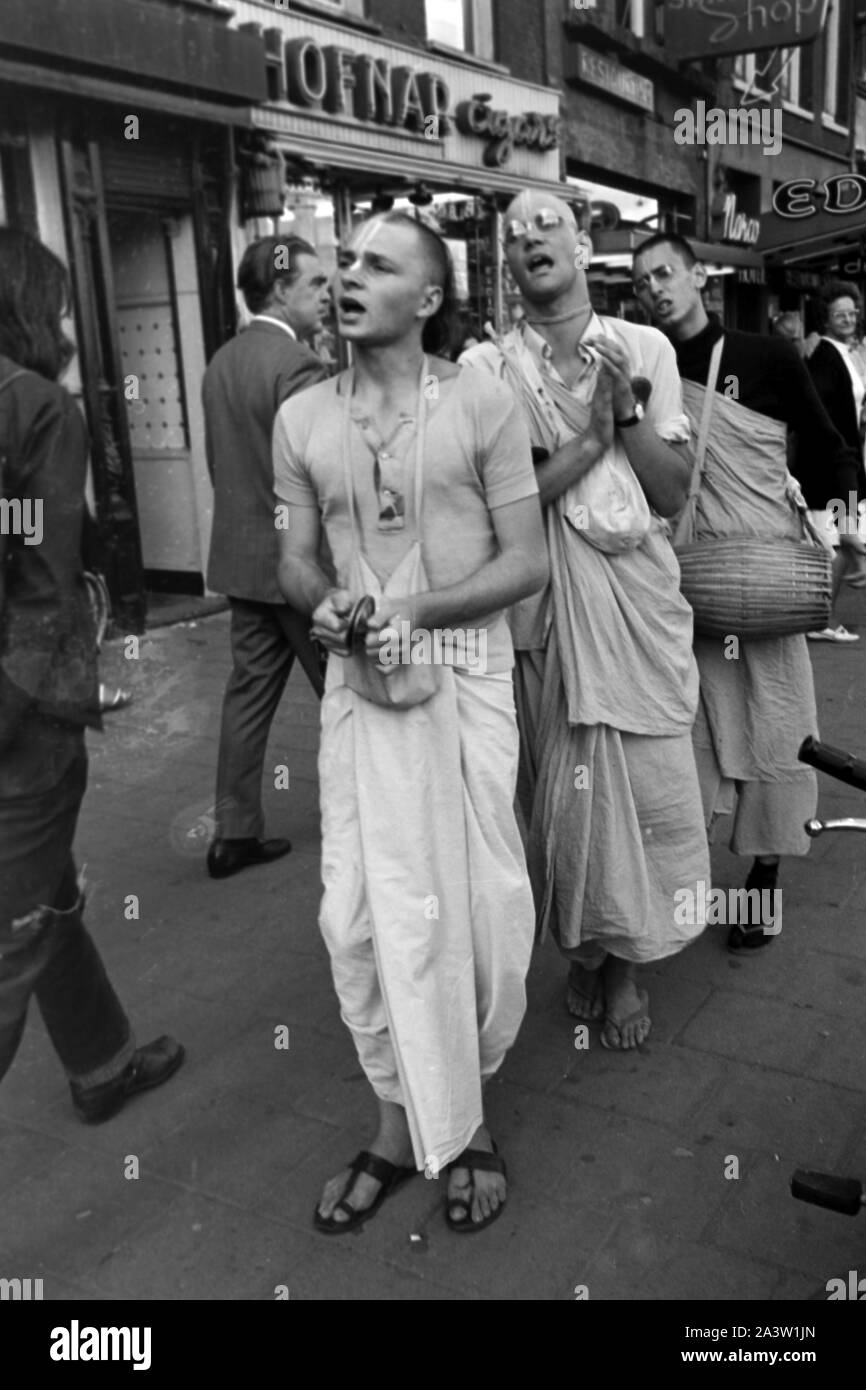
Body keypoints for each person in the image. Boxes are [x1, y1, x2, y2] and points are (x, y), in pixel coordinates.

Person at [273, 210, 546, 1234]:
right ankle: (400, 1120)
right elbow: (295, 555)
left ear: (427, 299)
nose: (348, 275)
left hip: (463, 672)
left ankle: (458, 1124)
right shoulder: (300, 418)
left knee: (476, 917)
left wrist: (417, 611)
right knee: (356, 921)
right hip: (359, 686)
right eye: (344, 261)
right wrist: (323, 603)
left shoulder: (479, 401)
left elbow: (526, 560)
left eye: (377, 265)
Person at [462, 192, 708, 1048]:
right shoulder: (487, 370)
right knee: (559, 805)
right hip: (541, 622)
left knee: (641, 797)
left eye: (547, 224)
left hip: (633, 612)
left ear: (582, 241)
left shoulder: (643, 349)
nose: (531, 237)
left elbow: (674, 491)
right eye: (516, 232)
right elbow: (503, 504)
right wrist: (591, 436)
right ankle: (586, 946)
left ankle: (628, 964)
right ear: (506, 262)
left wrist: (624, 416)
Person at [632, 233, 866, 949]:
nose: (654, 289)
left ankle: (763, 881)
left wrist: (848, 526)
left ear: (698, 275)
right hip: (682, 576)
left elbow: (831, 443)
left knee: (775, 724)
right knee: (691, 727)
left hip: (761, 573)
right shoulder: (643, 365)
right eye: (642, 281)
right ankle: (682, 875)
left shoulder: (767, 355)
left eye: (665, 272)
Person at [0, 228, 184, 1119]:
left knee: (44, 891)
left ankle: (103, 1064)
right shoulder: (34, 405)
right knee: (15, 928)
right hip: (19, 726)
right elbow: (41, 584)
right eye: (61, 302)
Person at [203, 236, 331, 879]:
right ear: (280, 289)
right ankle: (363, 816)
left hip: (241, 559)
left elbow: (218, 467)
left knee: (248, 696)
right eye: (314, 285)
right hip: (298, 565)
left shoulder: (220, 362)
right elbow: (318, 477)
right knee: (345, 695)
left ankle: (233, 834)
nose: (326, 295)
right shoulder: (298, 366)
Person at [804, 280, 866, 638]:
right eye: (839, 313)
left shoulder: (845, 351)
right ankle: (820, 620)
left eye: (851, 312)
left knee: (846, 535)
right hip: (833, 466)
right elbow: (822, 404)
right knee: (840, 540)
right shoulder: (824, 353)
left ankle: (822, 617)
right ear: (825, 319)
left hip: (847, 463)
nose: (847, 318)